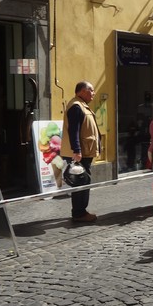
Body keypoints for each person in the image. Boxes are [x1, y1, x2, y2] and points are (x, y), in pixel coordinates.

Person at [60, 81, 101, 223]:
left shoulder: (81, 105)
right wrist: (76, 150)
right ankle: (79, 213)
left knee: (83, 181)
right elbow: (74, 130)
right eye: (91, 90)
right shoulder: (76, 107)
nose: (93, 93)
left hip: (85, 151)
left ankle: (80, 211)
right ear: (82, 91)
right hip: (81, 152)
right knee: (82, 182)